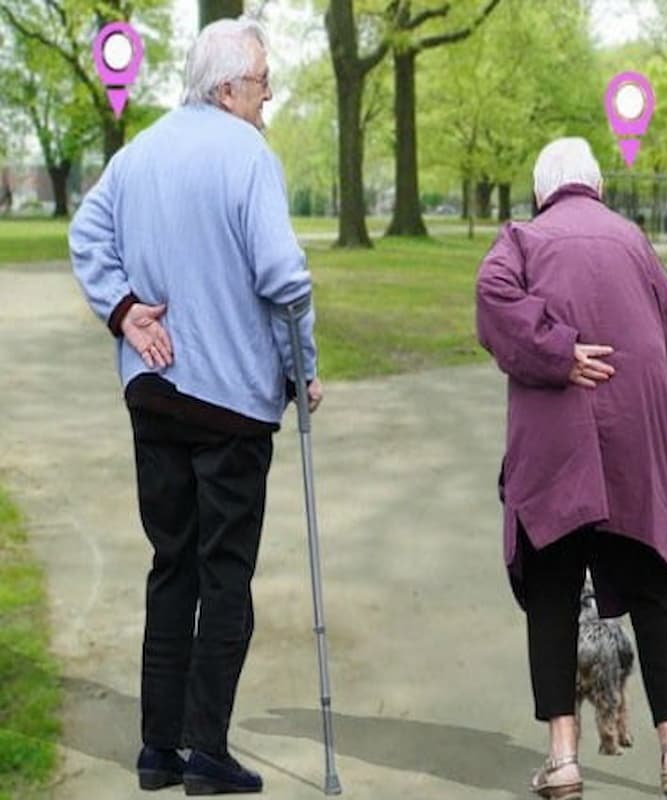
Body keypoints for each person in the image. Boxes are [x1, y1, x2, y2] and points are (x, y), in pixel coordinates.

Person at [69, 17, 321, 795]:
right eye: (261, 86)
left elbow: (86, 233)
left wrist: (122, 311)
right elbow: (286, 280)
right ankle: (207, 750)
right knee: (224, 575)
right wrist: (300, 372)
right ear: (227, 88)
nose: (267, 100)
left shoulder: (137, 151)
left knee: (170, 563)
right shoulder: (247, 153)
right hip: (230, 403)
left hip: (154, 392)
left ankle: (157, 750)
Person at [476, 137, 667, 800]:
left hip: (554, 455)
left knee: (551, 595)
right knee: (656, 593)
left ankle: (565, 762)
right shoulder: (635, 242)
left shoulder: (520, 238)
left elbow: (492, 301)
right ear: (597, 187)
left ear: (542, 189)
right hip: (636, 448)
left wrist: (556, 352)